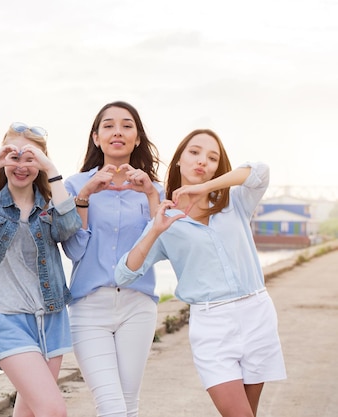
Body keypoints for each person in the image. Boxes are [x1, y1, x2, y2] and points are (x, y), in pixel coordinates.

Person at [115, 129, 287, 417]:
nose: (202, 161)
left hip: (257, 313)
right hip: (212, 323)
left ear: (218, 168)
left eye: (212, 157)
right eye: (194, 152)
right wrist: (154, 230)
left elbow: (259, 171)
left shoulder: (235, 202)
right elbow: (124, 275)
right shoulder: (165, 221)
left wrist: (205, 188)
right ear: (179, 160)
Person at [0, 122, 82, 417]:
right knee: (53, 410)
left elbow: (68, 228)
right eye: (14, 157)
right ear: (4, 159)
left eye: (31, 158)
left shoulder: (51, 208)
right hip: (7, 318)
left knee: (29, 412)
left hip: (52, 318)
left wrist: (52, 170)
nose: (22, 165)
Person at [61, 101, 163, 417]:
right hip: (89, 307)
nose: (117, 131)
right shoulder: (74, 186)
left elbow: (159, 249)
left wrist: (150, 196)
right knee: (111, 406)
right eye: (108, 125)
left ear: (137, 138)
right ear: (96, 137)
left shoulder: (154, 189)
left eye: (126, 125)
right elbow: (74, 251)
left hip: (138, 306)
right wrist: (85, 197)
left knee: (128, 406)